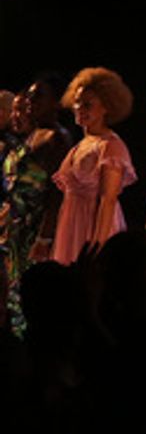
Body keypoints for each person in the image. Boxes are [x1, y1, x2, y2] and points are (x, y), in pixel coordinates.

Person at [1, 77, 74, 330]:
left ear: (56, 103)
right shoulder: (29, 135)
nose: (31, 102)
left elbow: (56, 193)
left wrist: (44, 236)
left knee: (27, 292)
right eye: (30, 96)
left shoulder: (57, 139)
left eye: (38, 96)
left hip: (35, 225)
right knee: (10, 290)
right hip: (15, 225)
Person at [49, 67, 137, 264]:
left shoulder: (110, 146)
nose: (79, 108)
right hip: (72, 224)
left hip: (94, 226)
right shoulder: (81, 145)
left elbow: (108, 201)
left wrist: (96, 247)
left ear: (106, 107)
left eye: (87, 104)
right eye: (77, 102)